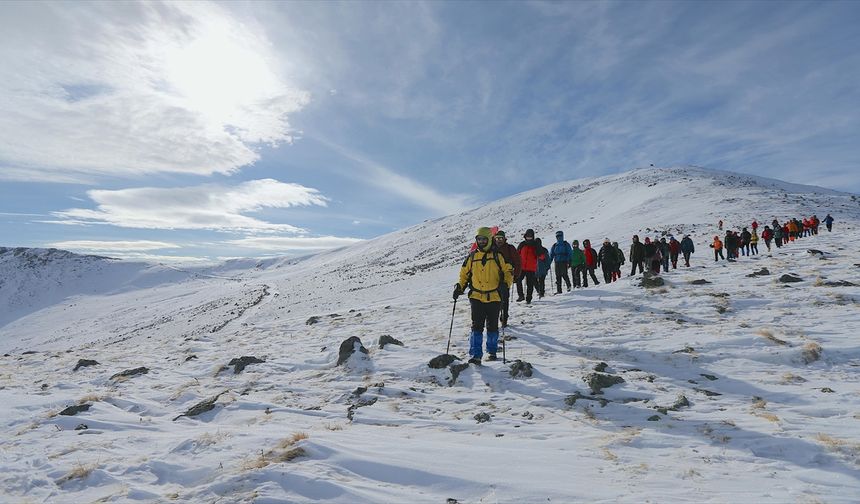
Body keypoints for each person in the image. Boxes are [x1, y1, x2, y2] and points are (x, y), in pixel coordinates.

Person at [454, 227, 513, 364]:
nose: (481, 242)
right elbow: (464, 274)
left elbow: (508, 271)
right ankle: (476, 355)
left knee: (492, 326)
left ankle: (492, 352)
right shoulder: (472, 257)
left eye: (484, 239)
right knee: (476, 326)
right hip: (476, 296)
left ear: (489, 239)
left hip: (494, 296)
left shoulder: (498, 256)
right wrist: (459, 287)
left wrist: (506, 284)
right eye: (479, 239)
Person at [492, 231, 520, 328]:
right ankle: (495, 319)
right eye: (497, 238)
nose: (499, 240)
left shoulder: (510, 248)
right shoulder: (492, 248)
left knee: (504, 299)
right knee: (495, 300)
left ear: (504, 239)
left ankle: (504, 318)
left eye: (501, 238)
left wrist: (516, 275)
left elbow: (517, 261)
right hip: (493, 278)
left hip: (506, 278)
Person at [516, 229, 538, 304]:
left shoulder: (535, 245)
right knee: (518, 280)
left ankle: (528, 299)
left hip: (531, 268)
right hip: (522, 267)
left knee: (530, 284)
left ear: (533, 237)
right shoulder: (522, 244)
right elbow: (517, 254)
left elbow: (540, 255)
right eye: (527, 236)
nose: (529, 238)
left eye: (530, 237)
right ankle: (521, 295)